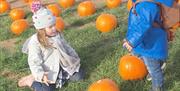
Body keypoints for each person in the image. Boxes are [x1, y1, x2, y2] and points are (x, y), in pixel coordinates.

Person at [18, 1, 84, 91]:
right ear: (41, 29)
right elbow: (34, 62)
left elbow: (67, 47)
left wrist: (74, 58)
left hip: (62, 65)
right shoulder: (35, 42)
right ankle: (31, 81)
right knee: (47, 90)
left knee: (79, 76)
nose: (54, 28)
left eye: (54, 25)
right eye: (50, 27)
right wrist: (41, 75)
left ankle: (61, 76)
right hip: (48, 72)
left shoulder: (56, 34)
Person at [123, 0, 176, 91]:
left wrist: (131, 41)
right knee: (136, 53)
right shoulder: (145, 2)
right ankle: (159, 63)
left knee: (154, 71)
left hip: (150, 45)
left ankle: (157, 88)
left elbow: (143, 25)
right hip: (147, 40)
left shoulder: (147, 5)